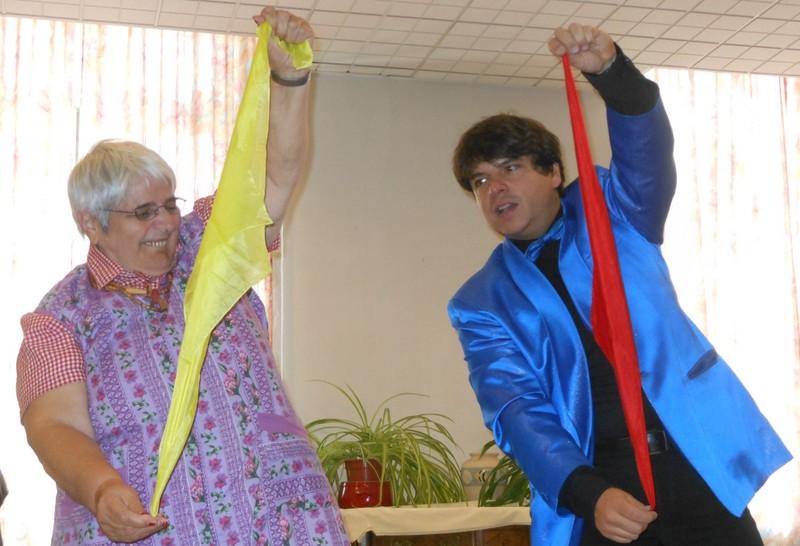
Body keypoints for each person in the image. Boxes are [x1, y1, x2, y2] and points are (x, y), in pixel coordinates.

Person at [447, 23, 791, 546]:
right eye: (480, 181)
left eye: (510, 168)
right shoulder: (479, 302)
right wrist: (590, 493)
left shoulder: (614, 209)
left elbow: (648, 160)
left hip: (697, 461)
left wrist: (613, 74)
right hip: (606, 492)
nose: (495, 188)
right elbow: (516, 410)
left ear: (554, 172)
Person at [16, 7, 350, 545]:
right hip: (149, 528)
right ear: (90, 224)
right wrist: (102, 490)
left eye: (168, 204)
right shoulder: (62, 314)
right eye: (143, 213)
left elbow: (271, 177)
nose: (167, 223)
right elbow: (54, 425)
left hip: (277, 518)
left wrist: (288, 80)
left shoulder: (207, 244)